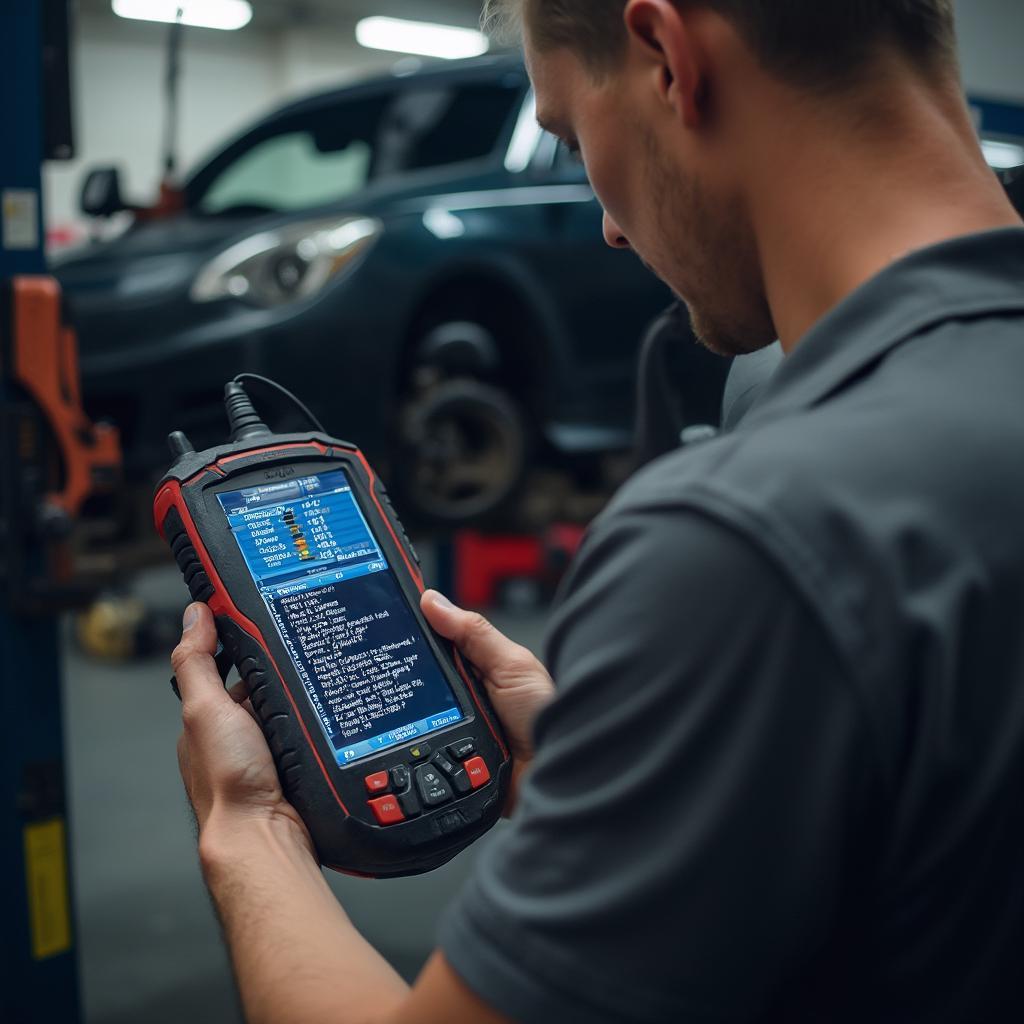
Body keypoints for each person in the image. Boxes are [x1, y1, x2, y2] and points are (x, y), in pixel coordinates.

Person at [170, 1, 1024, 1021]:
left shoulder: (746, 542)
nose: (610, 223)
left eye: (573, 137)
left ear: (666, 56)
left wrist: (247, 825)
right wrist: (643, 774)